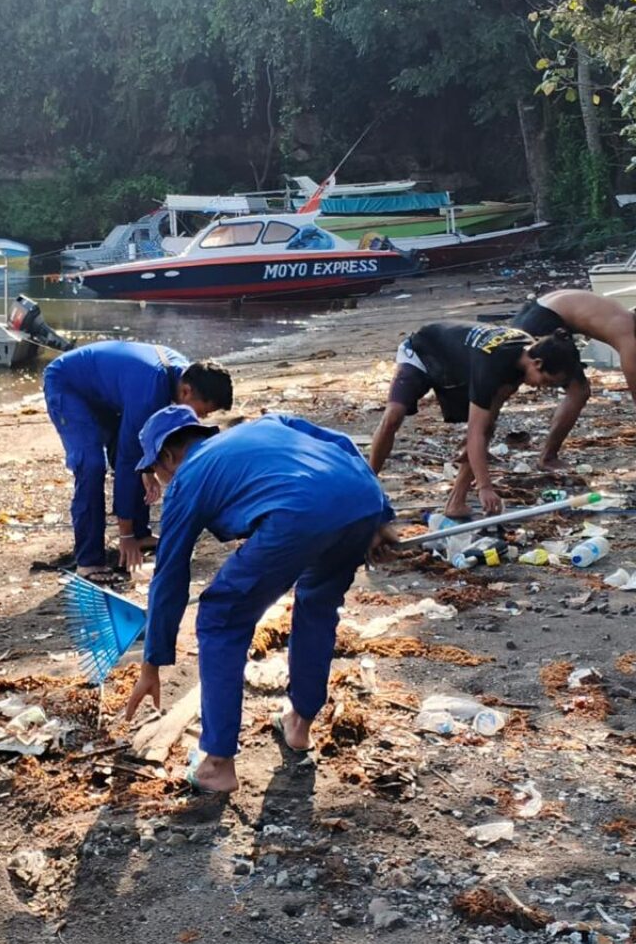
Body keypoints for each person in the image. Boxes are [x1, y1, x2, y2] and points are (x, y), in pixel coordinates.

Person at [124, 405, 397, 794]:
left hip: (297, 512)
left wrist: (152, 664)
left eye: (155, 472)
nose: (160, 480)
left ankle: (217, 764)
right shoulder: (269, 423)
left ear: (167, 457)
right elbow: (340, 443)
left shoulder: (187, 478)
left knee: (220, 616)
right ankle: (299, 724)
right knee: (318, 601)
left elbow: (169, 574)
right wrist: (381, 517)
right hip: (361, 497)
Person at [43, 341, 232, 584]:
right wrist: (125, 535)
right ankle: (89, 559)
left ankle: (141, 533)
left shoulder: (183, 376)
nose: (201, 418)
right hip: (68, 385)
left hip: (109, 392)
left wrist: (148, 469)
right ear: (185, 392)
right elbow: (127, 460)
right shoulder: (149, 392)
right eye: (202, 412)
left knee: (137, 457)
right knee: (91, 465)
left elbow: (146, 442)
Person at [368, 323, 581, 518]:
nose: (542, 387)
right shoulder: (493, 365)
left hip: (458, 373)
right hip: (423, 353)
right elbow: (476, 432)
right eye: (546, 381)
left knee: (484, 431)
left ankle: (456, 502)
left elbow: (488, 418)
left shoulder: (522, 355)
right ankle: (365, 485)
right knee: (393, 415)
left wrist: (475, 441)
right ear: (537, 363)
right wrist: (484, 486)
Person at [511, 289, 636, 470]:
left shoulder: (620, 314)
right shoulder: (626, 332)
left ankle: (470, 445)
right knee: (579, 392)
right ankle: (547, 458)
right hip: (544, 322)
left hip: (533, 310)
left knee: (506, 379)